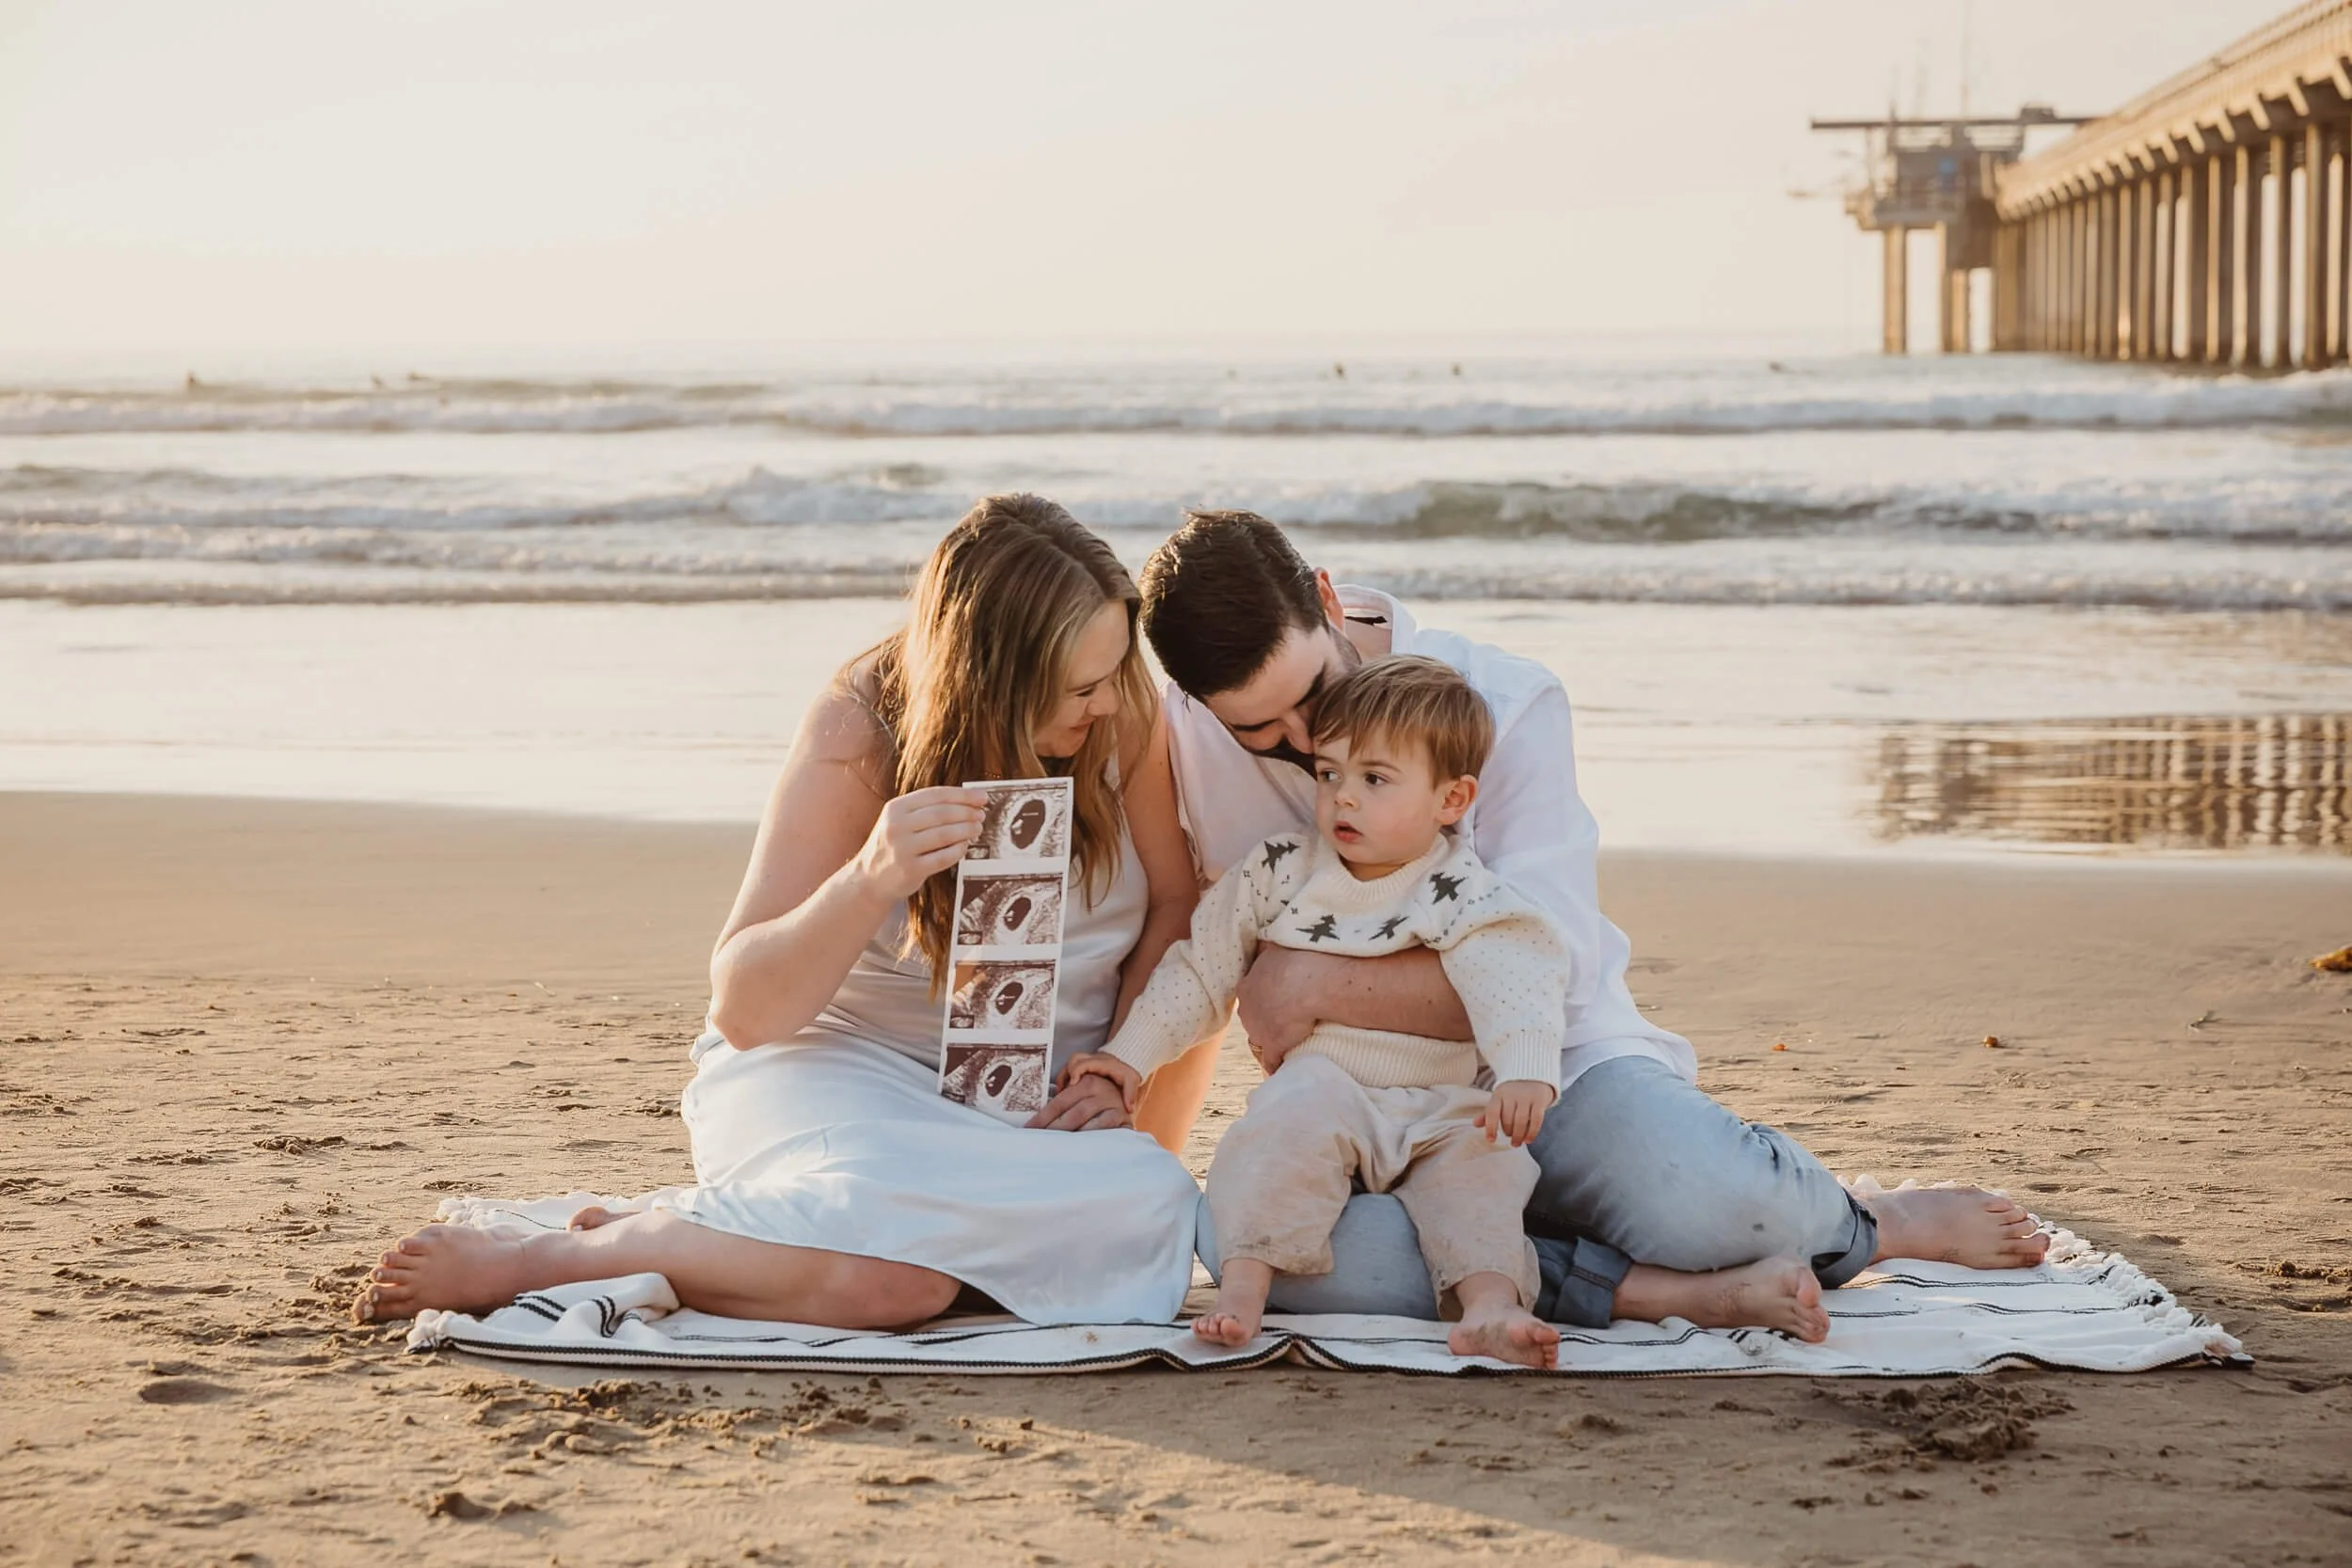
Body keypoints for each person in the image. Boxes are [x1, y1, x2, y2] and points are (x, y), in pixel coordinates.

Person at [1133, 510, 2049, 1334]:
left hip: (1555, 1077)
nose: (1304, 738)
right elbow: (1191, 951)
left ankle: (1869, 1221)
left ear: (1328, 600)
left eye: (1313, 691)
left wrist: (1309, 983)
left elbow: (1549, 971)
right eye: (1261, 730)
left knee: (1724, 1207)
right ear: (1199, 706)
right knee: (1263, 1253)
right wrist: (1130, 1119)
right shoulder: (1189, 741)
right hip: (1357, 1112)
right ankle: (1645, 1287)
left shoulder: (1502, 701)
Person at [353, 495, 1208, 1330]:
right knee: (893, 1286)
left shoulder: (1122, 719)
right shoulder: (861, 728)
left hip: (1013, 1102)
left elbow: (1176, 906)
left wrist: (1115, 1063)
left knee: (1153, 1207)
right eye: (1079, 686)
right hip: (841, 1072)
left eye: (1114, 673)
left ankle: (736, 1240)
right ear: (994, 678)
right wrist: (871, 876)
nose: (1107, 701)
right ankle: (556, 1257)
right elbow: (745, 1007)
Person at [1068, 656, 1569, 1366]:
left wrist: (1525, 1071)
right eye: (1329, 774)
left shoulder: (1460, 890)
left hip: (1438, 1102)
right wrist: (1129, 1056)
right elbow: (1200, 970)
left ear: (1452, 798)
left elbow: (1516, 974)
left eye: (1375, 779)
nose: (1343, 799)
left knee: (1486, 1166)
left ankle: (1489, 1306)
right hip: (1324, 1091)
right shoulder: (1281, 870)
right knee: (1272, 1137)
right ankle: (1244, 1288)